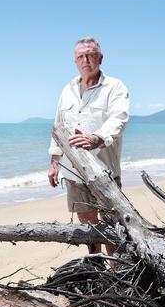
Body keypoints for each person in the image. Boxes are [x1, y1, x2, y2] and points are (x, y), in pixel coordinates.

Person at [48, 36, 130, 254]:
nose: (86, 60)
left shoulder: (114, 87)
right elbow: (59, 126)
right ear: (75, 61)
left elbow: (118, 120)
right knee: (87, 227)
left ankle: (115, 272)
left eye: (91, 55)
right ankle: (95, 271)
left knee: (113, 229)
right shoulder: (68, 89)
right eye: (81, 56)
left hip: (105, 173)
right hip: (74, 173)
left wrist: (95, 138)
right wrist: (54, 162)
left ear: (100, 58)